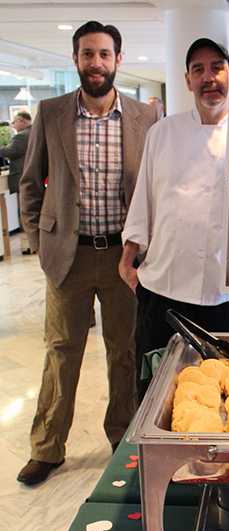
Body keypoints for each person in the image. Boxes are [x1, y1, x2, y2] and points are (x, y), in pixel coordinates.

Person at [17, 21, 160, 486]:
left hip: (125, 257)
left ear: (118, 60)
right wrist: (41, 243)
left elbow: (155, 189)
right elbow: (30, 182)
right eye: (86, 54)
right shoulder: (51, 111)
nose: (95, 63)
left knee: (125, 350)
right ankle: (48, 447)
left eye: (103, 54)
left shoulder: (144, 118)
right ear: (75, 59)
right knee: (61, 351)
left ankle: (122, 439)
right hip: (69, 257)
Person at [119, 38, 229, 401]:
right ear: (188, 80)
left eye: (217, 67)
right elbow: (143, 200)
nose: (209, 77)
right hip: (164, 291)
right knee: (158, 393)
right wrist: (128, 260)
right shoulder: (163, 132)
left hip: (227, 294)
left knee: (225, 396)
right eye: (198, 69)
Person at [0, 111, 33, 253]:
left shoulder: (22, 136)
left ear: (21, 120)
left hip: (22, 178)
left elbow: (9, 151)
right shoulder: (33, 132)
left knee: (26, 212)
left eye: (14, 122)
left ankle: (32, 245)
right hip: (31, 177)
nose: (13, 125)